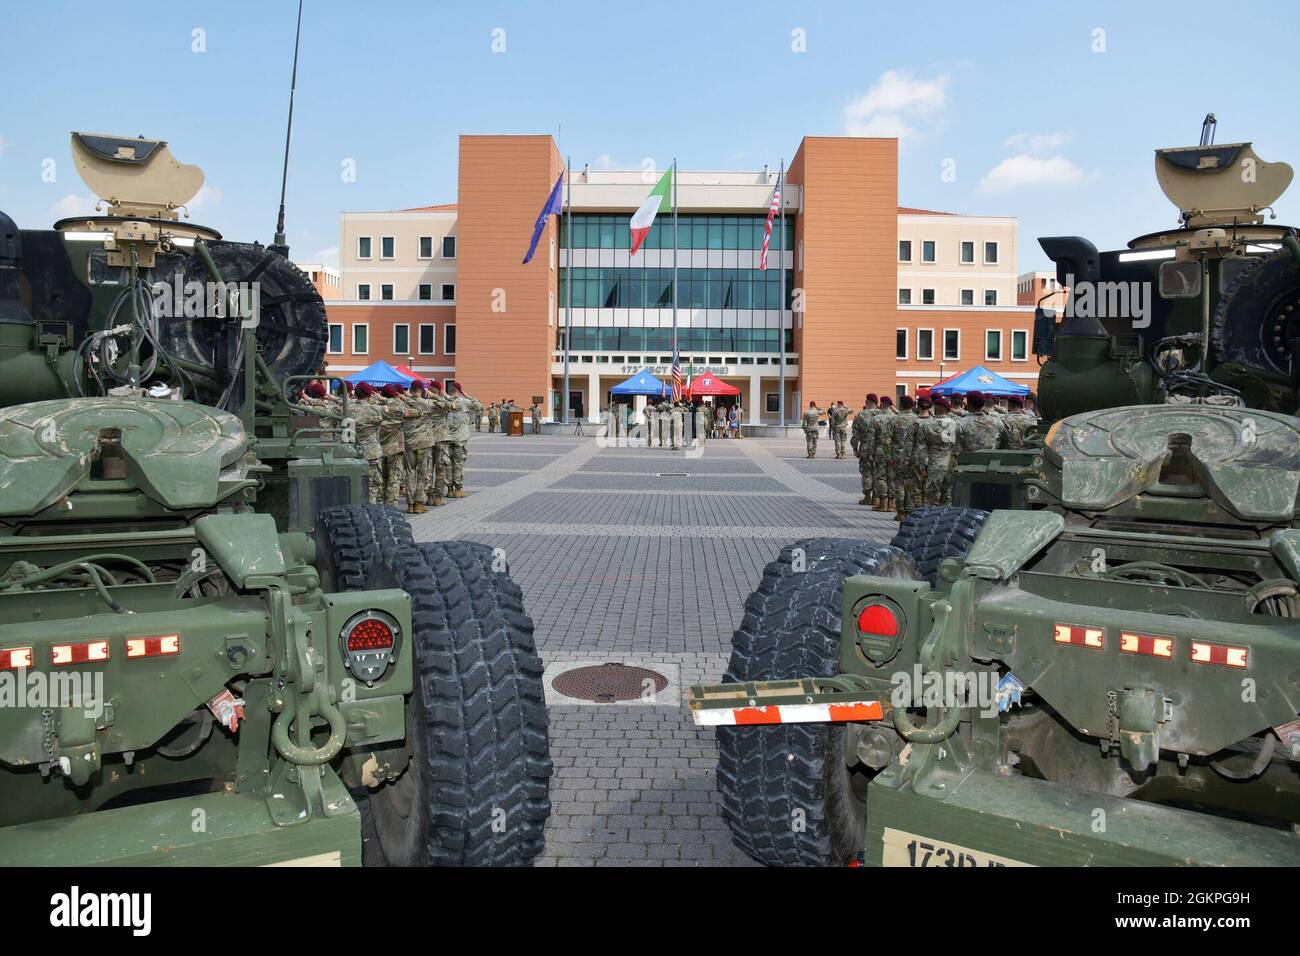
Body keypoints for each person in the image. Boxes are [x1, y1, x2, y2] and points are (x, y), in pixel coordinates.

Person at [401, 381, 437, 514]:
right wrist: (432, 395)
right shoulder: (428, 404)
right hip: (424, 444)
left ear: (410, 390)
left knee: (409, 473)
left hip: (409, 443)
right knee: (422, 474)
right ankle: (419, 503)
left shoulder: (403, 403)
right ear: (422, 390)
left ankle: (410, 504)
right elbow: (448, 405)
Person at [378, 383, 414, 507]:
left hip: (379, 449)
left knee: (381, 478)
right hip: (395, 449)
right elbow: (418, 410)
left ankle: (380, 505)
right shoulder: (400, 407)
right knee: (394, 478)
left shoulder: (376, 407)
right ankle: (391, 506)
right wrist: (405, 397)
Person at [445, 381, 481, 498]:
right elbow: (479, 406)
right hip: (460, 439)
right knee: (458, 464)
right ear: (460, 391)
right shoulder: (465, 402)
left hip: (447, 438)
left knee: (448, 464)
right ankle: (458, 489)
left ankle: (449, 489)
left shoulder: (447, 402)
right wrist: (467, 395)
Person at [917, 397, 957, 506]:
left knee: (931, 497)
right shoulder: (956, 424)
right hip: (951, 464)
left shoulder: (927, 425)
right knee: (948, 497)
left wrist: (922, 466)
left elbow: (921, 448)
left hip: (934, 464)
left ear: (936, 408)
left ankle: (930, 520)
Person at [351, 382, 385, 504]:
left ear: (355, 394)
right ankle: (370, 511)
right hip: (371, 453)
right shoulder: (374, 410)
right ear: (370, 395)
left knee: (354, 484)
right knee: (372, 485)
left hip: (352, 452)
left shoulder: (347, 408)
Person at [890, 395, 920, 520]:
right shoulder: (917, 420)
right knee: (912, 484)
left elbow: (888, 439)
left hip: (898, 455)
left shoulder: (894, 419)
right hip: (913, 456)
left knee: (899, 483)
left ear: (901, 405)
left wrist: (889, 456)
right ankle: (910, 510)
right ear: (913, 405)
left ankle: (901, 511)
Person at [851, 393, 882, 506]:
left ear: (867, 402)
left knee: (867, 472)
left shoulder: (861, 415)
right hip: (880, 449)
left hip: (865, 447)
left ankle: (867, 497)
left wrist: (855, 449)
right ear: (876, 402)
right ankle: (876, 497)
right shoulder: (882, 414)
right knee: (878, 473)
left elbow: (855, 435)